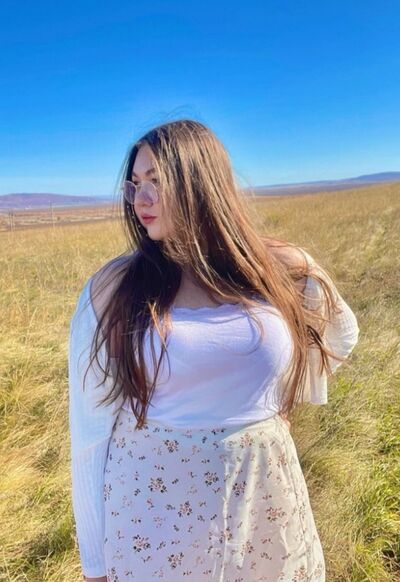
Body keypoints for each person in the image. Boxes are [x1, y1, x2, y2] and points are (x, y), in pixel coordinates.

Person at [68, 119, 360, 581]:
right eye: (135, 184)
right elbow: (89, 431)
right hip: (154, 521)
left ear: (201, 182)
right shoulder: (114, 287)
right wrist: (95, 565)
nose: (141, 199)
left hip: (265, 507)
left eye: (157, 181)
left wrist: (273, 404)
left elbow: (341, 333)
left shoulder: (272, 268)